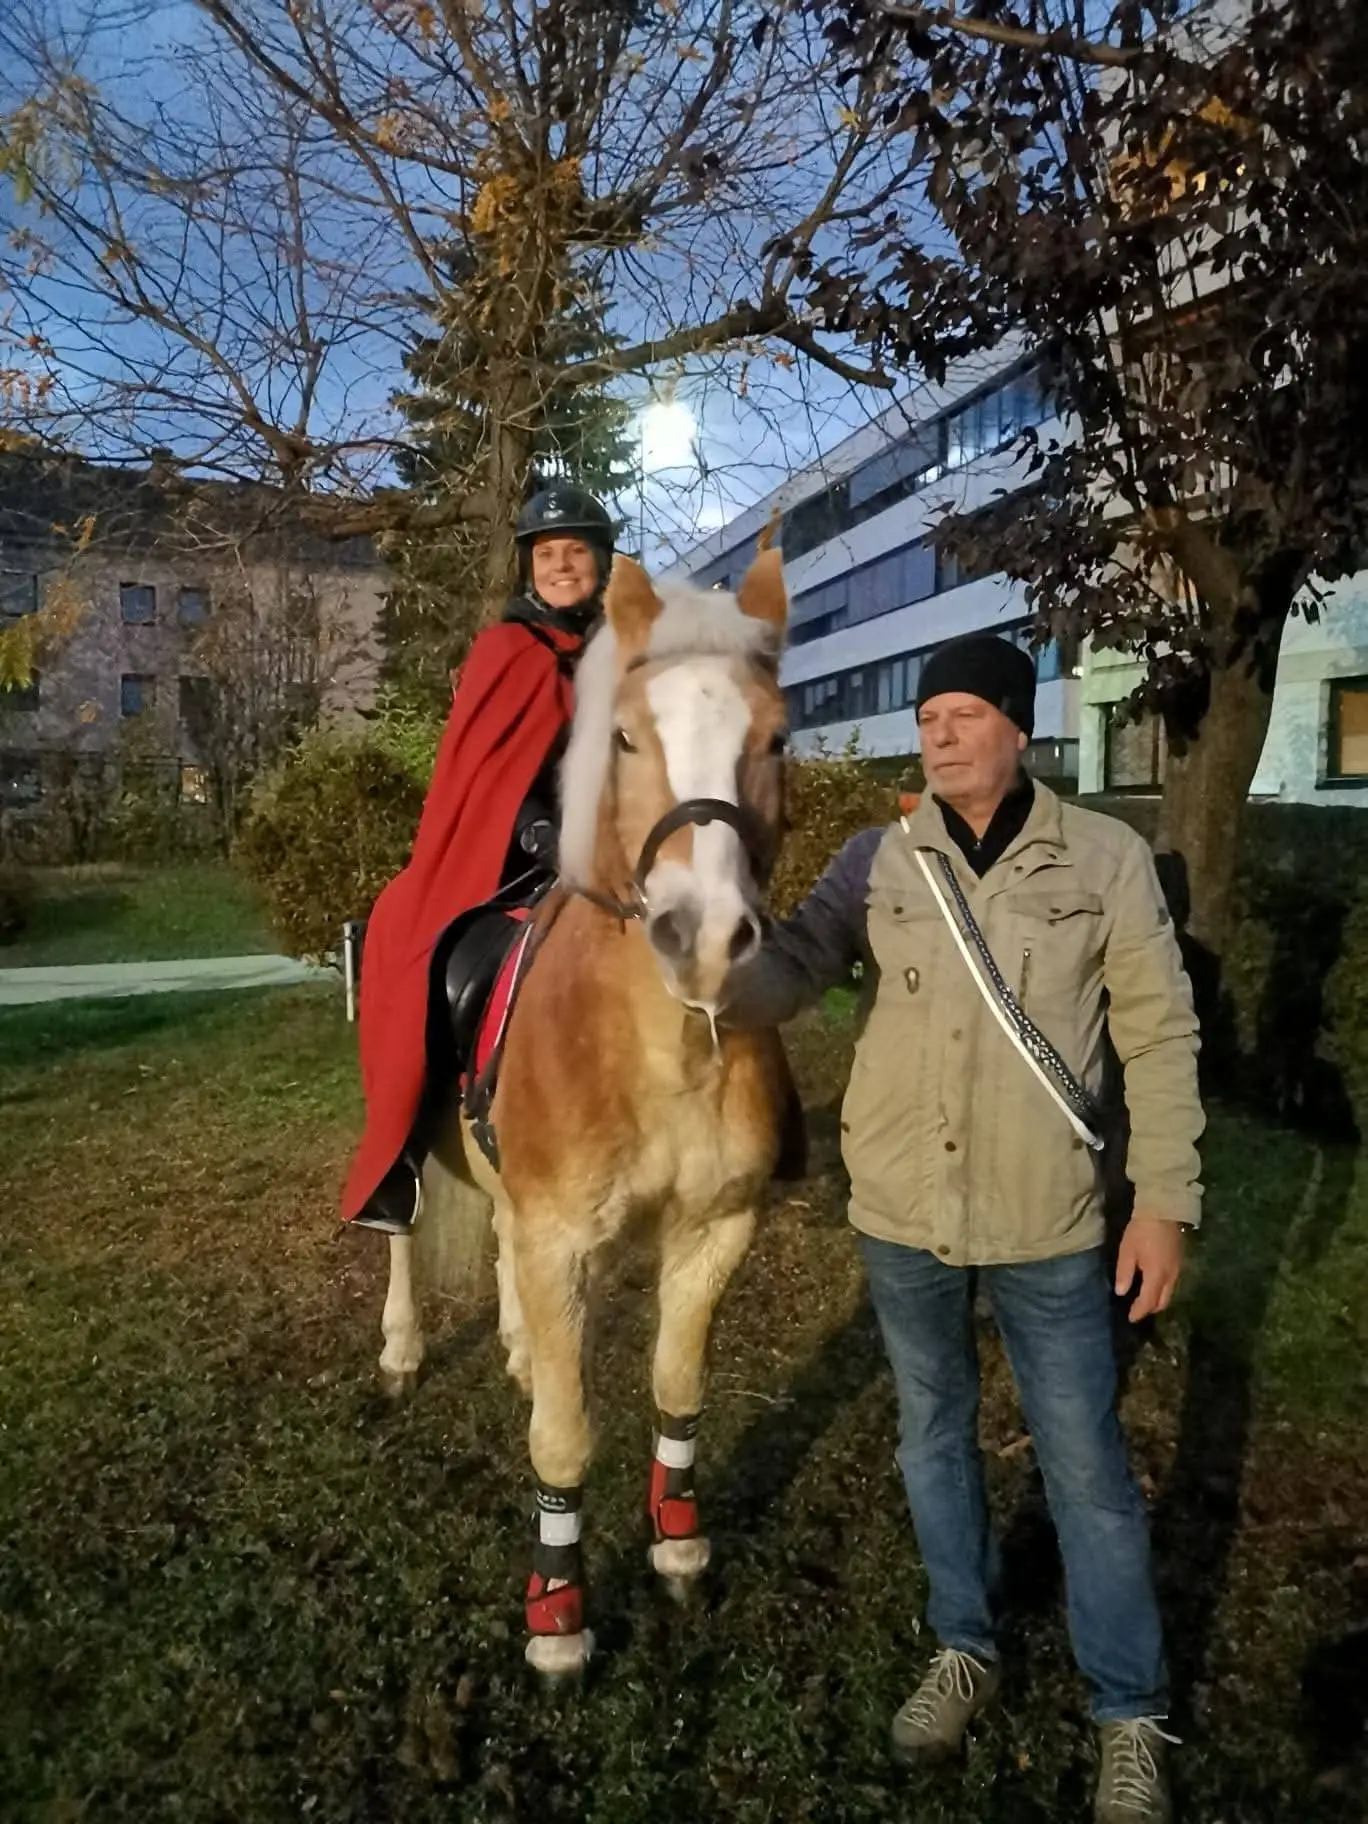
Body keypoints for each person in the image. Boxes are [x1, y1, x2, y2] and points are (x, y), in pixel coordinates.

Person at [722, 633, 1203, 1824]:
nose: (938, 734)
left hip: (1050, 1219)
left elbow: (1158, 1038)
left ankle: (1130, 1711)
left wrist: (1166, 1206)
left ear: (1018, 727)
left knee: (1086, 1469)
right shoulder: (877, 860)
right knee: (932, 1437)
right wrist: (699, 977)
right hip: (901, 1213)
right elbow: (794, 965)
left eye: (963, 715)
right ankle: (964, 1644)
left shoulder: (1105, 860)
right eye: (928, 716)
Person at [342, 483, 616, 1234]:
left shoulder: (617, 656)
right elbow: (484, 773)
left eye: (577, 553)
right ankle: (407, 1143)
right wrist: (539, 836)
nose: (563, 566)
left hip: (612, 852)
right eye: (548, 554)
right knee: (416, 943)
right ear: (530, 567)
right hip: (505, 859)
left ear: (602, 562)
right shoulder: (507, 651)